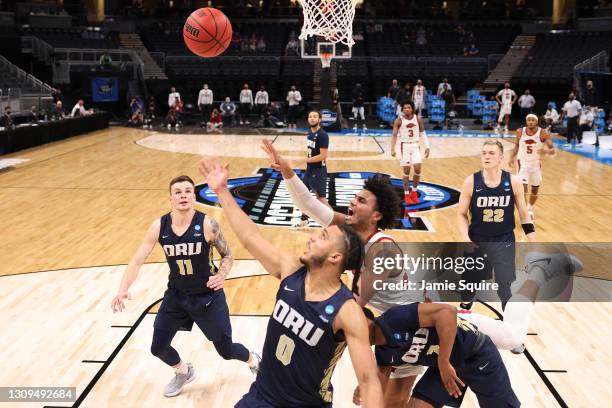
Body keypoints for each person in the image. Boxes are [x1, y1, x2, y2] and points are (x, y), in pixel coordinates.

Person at [197, 159, 384, 408]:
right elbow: (250, 236)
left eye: (323, 236)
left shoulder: (346, 311)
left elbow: (370, 382)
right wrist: (222, 191)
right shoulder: (292, 271)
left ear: (335, 257)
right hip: (261, 396)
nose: (312, 238)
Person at [261, 139, 429, 407]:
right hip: (384, 322)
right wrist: (287, 171)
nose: (352, 202)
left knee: (394, 402)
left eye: (361, 200)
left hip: (412, 327)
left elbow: (354, 303)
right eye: (355, 197)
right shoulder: (349, 232)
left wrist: (365, 375)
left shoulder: (382, 250)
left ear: (376, 216)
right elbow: (308, 205)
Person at [111, 175, 260, 398]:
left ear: (194, 195)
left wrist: (221, 274)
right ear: (170, 198)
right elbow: (137, 260)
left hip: (207, 297)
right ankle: (183, 371)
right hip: (176, 296)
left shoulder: (208, 224)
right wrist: (122, 289)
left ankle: (253, 359)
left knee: (226, 352)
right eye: (178, 192)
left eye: (188, 191)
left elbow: (228, 255)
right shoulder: (159, 226)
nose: (183, 195)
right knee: (158, 347)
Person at [357, 302, 520, 408]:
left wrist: (443, 362)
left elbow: (448, 312)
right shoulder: (383, 352)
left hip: (476, 355)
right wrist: (366, 388)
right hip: (446, 367)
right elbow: (379, 381)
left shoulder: (394, 318)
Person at [457, 140, 536, 311]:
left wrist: (533, 244)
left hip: (504, 239)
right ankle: (466, 307)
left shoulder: (513, 182)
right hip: (478, 239)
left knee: (504, 286)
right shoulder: (471, 182)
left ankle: (509, 319)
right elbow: (461, 214)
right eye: (484, 152)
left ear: (501, 157)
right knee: (469, 284)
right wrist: (465, 238)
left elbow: (524, 216)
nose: (487, 156)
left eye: (491, 153)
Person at [509, 114, 555, 221]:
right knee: (523, 189)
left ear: (537, 121)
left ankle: (529, 208)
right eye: (528, 120)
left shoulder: (543, 133)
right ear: (526, 121)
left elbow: (552, 150)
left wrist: (546, 151)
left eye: (532, 120)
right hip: (522, 163)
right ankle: (525, 213)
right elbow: (517, 145)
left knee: (534, 191)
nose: (530, 122)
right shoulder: (520, 131)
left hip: (536, 164)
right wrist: (511, 157)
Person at [292, 111, 330, 228]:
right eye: (310, 116)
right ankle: (304, 220)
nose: (312, 119)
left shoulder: (323, 135)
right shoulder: (310, 133)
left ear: (320, 119)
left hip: (319, 171)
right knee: (303, 195)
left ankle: (337, 225)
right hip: (309, 170)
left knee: (321, 199)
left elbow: (323, 156)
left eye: (315, 117)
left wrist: (303, 160)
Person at [390, 102, 431, 206]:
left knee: (417, 169)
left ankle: (414, 192)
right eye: (405, 108)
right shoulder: (399, 121)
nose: (407, 109)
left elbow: (422, 133)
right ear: (402, 110)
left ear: (412, 109)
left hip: (415, 146)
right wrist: (392, 149)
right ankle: (406, 194)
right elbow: (394, 135)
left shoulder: (418, 119)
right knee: (407, 171)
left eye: (408, 107)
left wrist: (427, 146)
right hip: (405, 147)